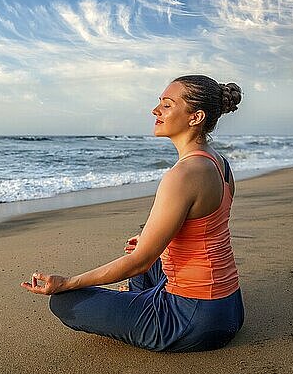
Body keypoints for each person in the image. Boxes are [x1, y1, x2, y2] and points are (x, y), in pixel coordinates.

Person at [21, 75, 244, 352]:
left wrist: (68, 282)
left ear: (195, 117)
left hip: (193, 320)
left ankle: (139, 307)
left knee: (64, 301)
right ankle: (137, 301)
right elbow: (205, 231)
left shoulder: (183, 175)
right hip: (229, 306)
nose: (155, 111)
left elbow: (139, 262)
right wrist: (156, 244)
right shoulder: (219, 163)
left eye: (166, 105)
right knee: (146, 253)